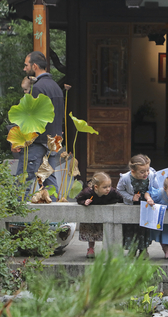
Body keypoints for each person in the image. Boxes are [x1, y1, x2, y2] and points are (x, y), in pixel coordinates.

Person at [14, 51, 64, 198]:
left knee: (24, 178)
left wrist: (21, 139)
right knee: (49, 179)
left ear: (34, 66)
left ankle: (18, 216)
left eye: (26, 65)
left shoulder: (38, 87)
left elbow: (31, 118)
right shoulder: (55, 86)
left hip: (38, 141)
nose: (24, 69)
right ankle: (55, 218)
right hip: (54, 139)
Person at [76, 172, 122, 258]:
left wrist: (112, 203)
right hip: (91, 216)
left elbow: (120, 198)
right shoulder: (88, 192)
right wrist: (85, 202)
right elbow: (79, 199)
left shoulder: (112, 192)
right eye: (105, 187)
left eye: (109, 186)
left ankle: (106, 249)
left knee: (105, 232)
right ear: (96, 187)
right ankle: (90, 248)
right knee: (90, 232)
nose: (108, 189)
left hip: (104, 216)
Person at [117, 154, 155, 256]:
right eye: (142, 172)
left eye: (147, 170)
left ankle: (144, 250)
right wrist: (131, 197)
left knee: (144, 228)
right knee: (131, 228)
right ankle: (132, 249)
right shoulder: (125, 178)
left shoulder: (151, 175)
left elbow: (155, 189)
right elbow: (119, 190)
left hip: (146, 204)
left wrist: (149, 197)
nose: (146, 173)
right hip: (132, 205)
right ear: (133, 171)